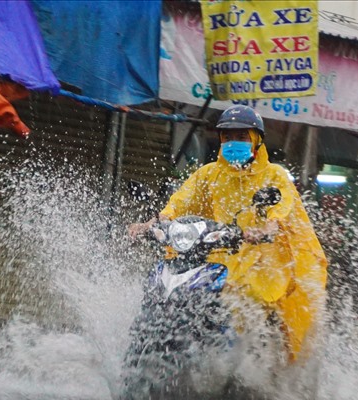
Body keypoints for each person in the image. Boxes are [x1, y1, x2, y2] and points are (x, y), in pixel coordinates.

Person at [127, 105, 327, 361]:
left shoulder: (274, 175)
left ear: (256, 141)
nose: (233, 143)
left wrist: (266, 228)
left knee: (251, 297)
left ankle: (251, 360)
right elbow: (179, 203)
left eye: (242, 137)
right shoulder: (209, 173)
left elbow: (281, 208)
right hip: (218, 254)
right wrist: (152, 223)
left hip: (261, 261)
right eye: (228, 137)